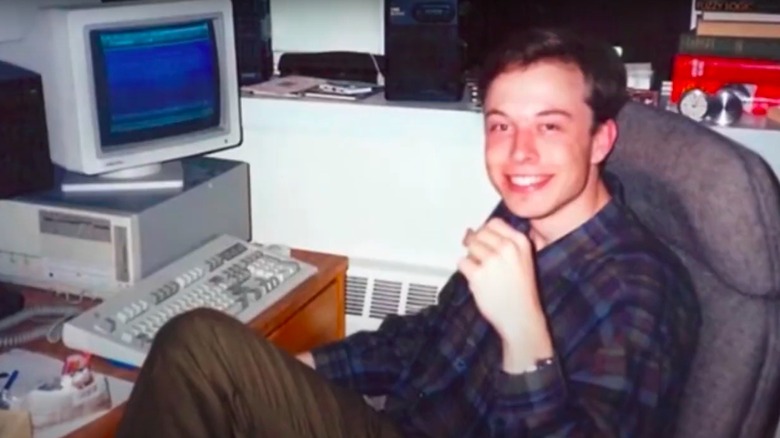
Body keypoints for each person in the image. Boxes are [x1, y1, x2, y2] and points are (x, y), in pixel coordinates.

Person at [116, 27, 701, 438]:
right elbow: (429, 337)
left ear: (601, 140)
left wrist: (525, 333)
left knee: (196, 345)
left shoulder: (638, 294)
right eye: (501, 125)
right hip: (393, 422)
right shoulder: (520, 215)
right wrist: (301, 370)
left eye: (549, 125)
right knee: (208, 359)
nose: (519, 153)